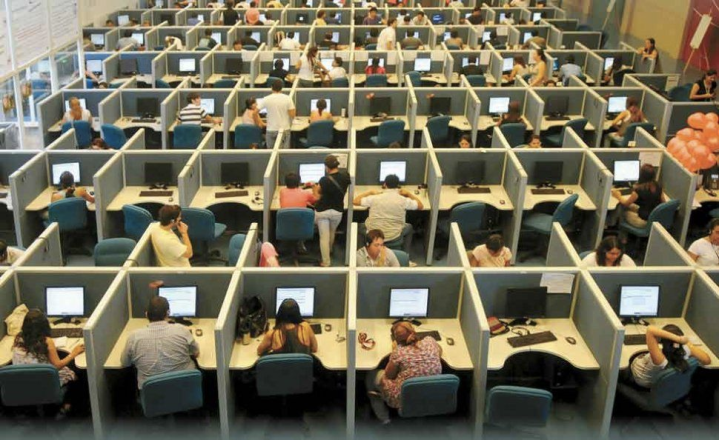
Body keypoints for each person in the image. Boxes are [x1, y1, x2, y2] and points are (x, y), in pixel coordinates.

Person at [365, 321, 442, 424]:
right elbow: (439, 351)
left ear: (396, 340)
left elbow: (389, 376)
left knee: (371, 376)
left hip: (403, 397)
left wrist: (395, 351)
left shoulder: (399, 353)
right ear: (413, 331)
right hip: (430, 392)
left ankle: (384, 418)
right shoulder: (430, 341)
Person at [12, 309, 85, 416]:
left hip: (24, 385)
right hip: (44, 384)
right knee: (76, 372)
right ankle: (68, 407)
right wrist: (73, 353)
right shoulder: (46, 341)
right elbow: (57, 366)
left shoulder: (18, 339)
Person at [121, 296, 200, 389]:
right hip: (185, 388)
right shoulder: (182, 330)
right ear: (168, 312)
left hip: (152, 393)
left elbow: (125, 362)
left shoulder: (134, 337)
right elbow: (196, 352)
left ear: (146, 314)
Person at [353, 174, 423, 254]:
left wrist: (370, 192)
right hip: (394, 236)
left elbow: (355, 201)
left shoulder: (374, 198)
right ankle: (405, 255)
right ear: (398, 185)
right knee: (409, 227)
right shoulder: (403, 200)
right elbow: (420, 206)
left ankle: (361, 254)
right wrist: (408, 194)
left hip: (374, 235)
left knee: (360, 227)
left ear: (384, 184)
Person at [626, 324, 710, 389]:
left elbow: (650, 330)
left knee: (624, 365)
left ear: (662, 340)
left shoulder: (660, 360)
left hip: (642, 381)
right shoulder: (687, 351)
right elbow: (707, 360)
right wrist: (684, 341)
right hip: (664, 384)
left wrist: (678, 339)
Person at [312, 155, 351, 267]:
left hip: (323, 211)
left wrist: (314, 188)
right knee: (332, 232)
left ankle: (326, 262)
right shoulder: (345, 177)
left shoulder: (324, 180)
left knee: (324, 237)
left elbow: (317, 197)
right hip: (337, 211)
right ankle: (329, 250)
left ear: (326, 167)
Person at [611, 164, 664, 229]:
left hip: (644, 222)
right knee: (629, 207)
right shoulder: (658, 186)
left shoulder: (639, 190)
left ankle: (615, 228)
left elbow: (626, 203)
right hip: (654, 219)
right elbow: (664, 203)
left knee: (623, 211)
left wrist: (617, 196)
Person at [258, 79, 295, 149]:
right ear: (281, 88)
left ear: (271, 87)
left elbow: (254, 112)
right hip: (284, 129)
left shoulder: (266, 99)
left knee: (271, 152)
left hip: (271, 129)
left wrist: (261, 122)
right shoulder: (288, 99)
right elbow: (292, 115)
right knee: (284, 152)